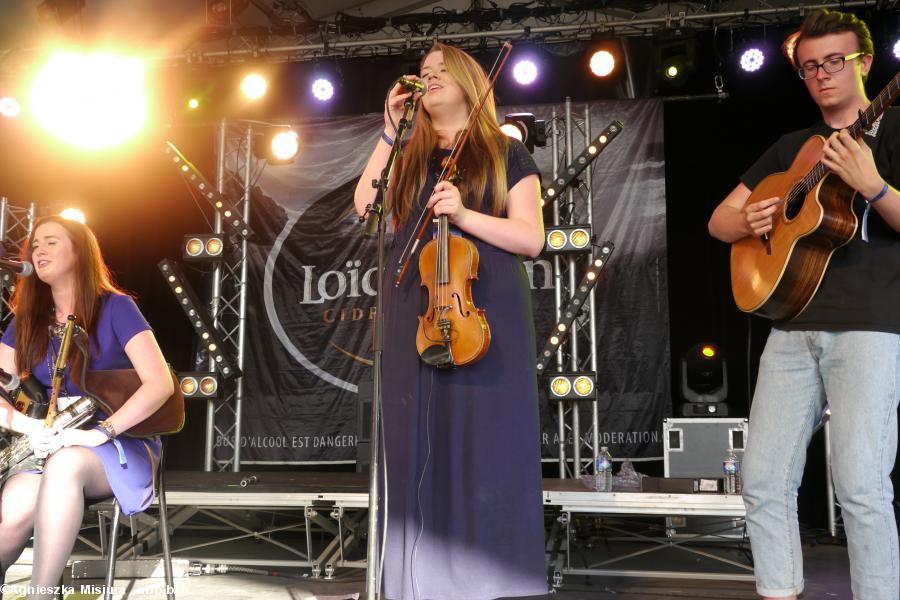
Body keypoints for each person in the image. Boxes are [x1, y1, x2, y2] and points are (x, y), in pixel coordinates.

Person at [708, 9, 900, 600]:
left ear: (865, 63)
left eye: (835, 62)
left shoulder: (894, 132)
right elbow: (718, 221)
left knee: (862, 486)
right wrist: (751, 217)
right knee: (762, 481)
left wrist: (874, 187)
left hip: (868, 326)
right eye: (810, 66)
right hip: (790, 326)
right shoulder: (792, 146)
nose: (822, 75)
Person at [353, 43, 547, 600]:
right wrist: (390, 131)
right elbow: (365, 209)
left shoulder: (505, 151)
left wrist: (464, 214)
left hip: (485, 308)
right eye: (422, 74)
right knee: (413, 440)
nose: (428, 79)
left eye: (441, 72)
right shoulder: (409, 156)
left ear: (467, 82)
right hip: (414, 308)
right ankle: (417, 580)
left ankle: (495, 579)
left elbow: (530, 238)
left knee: (488, 442)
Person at [0, 215, 174, 599]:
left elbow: (160, 384)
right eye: (35, 246)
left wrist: (98, 432)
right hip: (50, 441)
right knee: (10, 517)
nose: (38, 251)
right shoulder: (27, 321)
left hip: (117, 441)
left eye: (51, 242)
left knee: (67, 463)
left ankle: (41, 594)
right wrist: (33, 430)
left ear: (79, 252)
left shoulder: (117, 307)